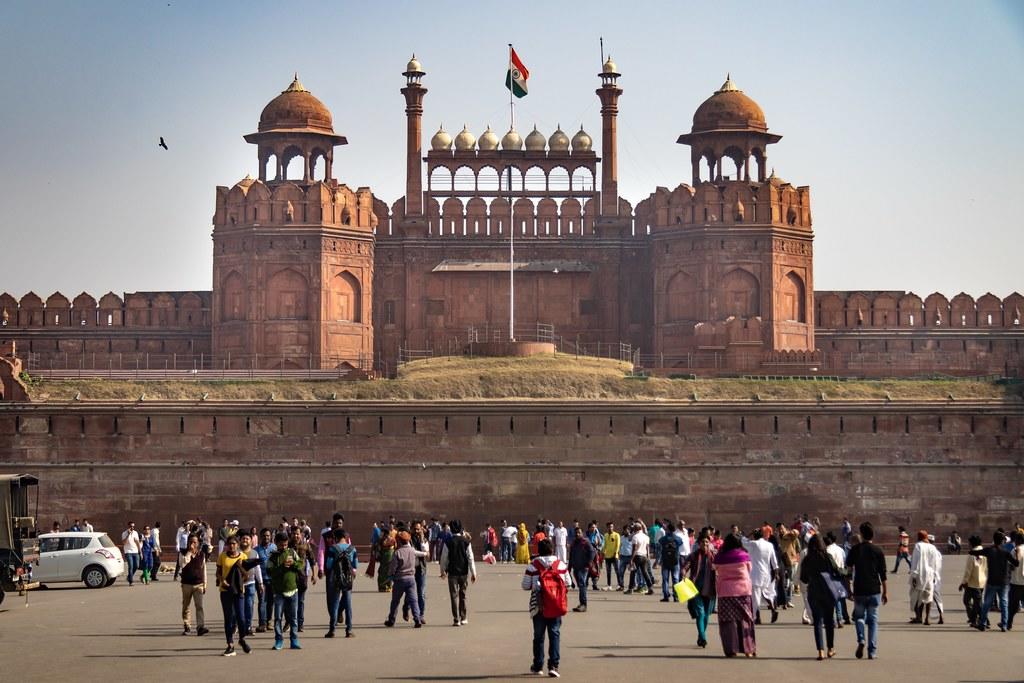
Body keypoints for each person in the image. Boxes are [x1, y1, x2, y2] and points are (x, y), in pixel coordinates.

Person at [522, 537, 569, 677]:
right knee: (554, 634)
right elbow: (568, 583)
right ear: (552, 550)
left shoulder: (533, 565)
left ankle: (538, 665)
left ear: (539, 551)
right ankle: (554, 665)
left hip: (539, 605)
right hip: (555, 604)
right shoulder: (560, 565)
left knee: (538, 636)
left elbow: (525, 585)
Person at [845, 521, 887, 660]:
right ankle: (872, 651)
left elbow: (848, 572)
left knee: (859, 617)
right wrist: (885, 591)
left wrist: (848, 589)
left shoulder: (855, 550)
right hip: (874, 589)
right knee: (873, 620)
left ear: (861, 535)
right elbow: (883, 574)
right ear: (872, 534)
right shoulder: (878, 550)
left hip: (859, 589)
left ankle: (861, 639)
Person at [712, 533, 756, 657]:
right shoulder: (744, 555)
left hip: (725, 592)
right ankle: (748, 649)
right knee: (745, 619)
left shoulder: (720, 557)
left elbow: (714, 568)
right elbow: (749, 569)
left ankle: (731, 649)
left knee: (728, 621)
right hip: (743, 591)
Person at [216, 535, 259, 656]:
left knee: (241, 617)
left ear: (238, 545)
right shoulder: (222, 556)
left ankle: (242, 639)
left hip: (239, 590)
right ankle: (230, 644)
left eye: (234, 543)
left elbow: (247, 575)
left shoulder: (243, 556)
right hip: (225, 590)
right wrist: (222, 580)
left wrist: (240, 567)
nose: (231, 546)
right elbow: (218, 572)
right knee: (228, 618)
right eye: (229, 544)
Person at [800, 534, 842, 660]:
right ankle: (831, 648)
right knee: (829, 620)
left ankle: (820, 651)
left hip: (814, 591)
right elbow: (836, 570)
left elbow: (803, 578)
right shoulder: (827, 557)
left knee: (817, 621)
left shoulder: (807, 559)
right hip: (828, 591)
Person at [973, 531, 1020, 631]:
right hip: (1004, 581)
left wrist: (974, 552)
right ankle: (1004, 625)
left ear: (994, 540)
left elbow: (975, 552)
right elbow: (1016, 564)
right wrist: (1016, 554)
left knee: (987, 603)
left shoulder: (989, 550)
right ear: (1002, 541)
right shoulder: (1005, 552)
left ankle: (982, 623)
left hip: (992, 581)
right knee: (1004, 603)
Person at [269, 531, 303, 650]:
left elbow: (301, 564)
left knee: (293, 618)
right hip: (279, 592)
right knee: (278, 617)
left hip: (293, 590)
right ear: (276, 543)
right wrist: (282, 567)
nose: (283, 547)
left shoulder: (292, 552)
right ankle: (279, 640)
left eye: (285, 544)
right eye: (281, 545)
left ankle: (294, 640)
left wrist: (293, 563)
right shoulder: (273, 557)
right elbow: (270, 572)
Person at [440, 519, 477, 626]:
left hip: (452, 572)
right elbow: (470, 558)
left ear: (451, 529)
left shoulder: (448, 542)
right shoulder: (466, 542)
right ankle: (463, 617)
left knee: (453, 596)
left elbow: (444, 558)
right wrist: (473, 573)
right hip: (464, 572)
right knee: (463, 595)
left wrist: (443, 571)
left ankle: (456, 619)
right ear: (461, 528)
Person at [684, 533, 717, 648]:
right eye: (703, 542)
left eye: (707, 542)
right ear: (699, 544)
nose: (705, 544)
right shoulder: (693, 556)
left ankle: (701, 636)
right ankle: (703, 637)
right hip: (695, 588)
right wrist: (683, 573)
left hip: (710, 589)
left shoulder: (714, 556)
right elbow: (685, 566)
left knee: (706, 615)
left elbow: (720, 567)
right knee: (700, 613)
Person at [385, 530, 423, 627]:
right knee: (413, 600)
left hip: (399, 579)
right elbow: (420, 555)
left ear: (400, 541)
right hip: (411, 579)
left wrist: (390, 575)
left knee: (395, 601)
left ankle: (391, 619)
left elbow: (393, 567)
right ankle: (417, 619)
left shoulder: (397, 552)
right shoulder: (412, 550)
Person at [325, 528, 357, 638]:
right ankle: (349, 630)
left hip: (335, 578)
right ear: (345, 537)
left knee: (335, 604)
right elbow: (355, 565)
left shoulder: (332, 548)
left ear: (336, 538)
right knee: (348, 604)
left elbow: (329, 565)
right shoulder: (352, 549)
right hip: (348, 578)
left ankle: (332, 630)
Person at [743, 528, 779, 624]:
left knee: (755, 597)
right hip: (767, 574)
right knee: (766, 593)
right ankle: (772, 609)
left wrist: (749, 533)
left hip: (755, 574)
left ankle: (756, 617)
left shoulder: (754, 544)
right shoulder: (769, 545)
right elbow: (774, 561)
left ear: (754, 536)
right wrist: (776, 572)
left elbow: (742, 541)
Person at [178, 533, 210, 636]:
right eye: (191, 542)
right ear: (188, 543)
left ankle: (200, 627)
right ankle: (187, 625)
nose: (193, 544)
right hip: (186, 584)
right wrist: (189, 553)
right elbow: (182, 564)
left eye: (195, 542)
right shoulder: (182, 553)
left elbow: (204, 570)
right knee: (186, 606)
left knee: (199, 606)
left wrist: (205, 584)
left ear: (198, 543)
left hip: (198, 584)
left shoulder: (201, 554)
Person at [908, 530, 942, 625]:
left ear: (919, 537)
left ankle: (918, 617)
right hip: (930, 575)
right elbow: (935, 563)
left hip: (920, 574)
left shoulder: (918, 546)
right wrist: (935, 575)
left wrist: (914, 576)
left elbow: (915, 561)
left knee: (915, 596)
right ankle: (927, 618)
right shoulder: (933, 547)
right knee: (928, 596)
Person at [958, 534, 987, 628]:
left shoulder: (972, 554)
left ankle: (981, 619)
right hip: (982, 580)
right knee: (976, 602)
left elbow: (969, 570)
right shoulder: (985, 552)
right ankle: (976, 619)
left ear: (972, 543)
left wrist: (963, 582)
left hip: (972, 582)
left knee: (970, 601)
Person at [238, 531, 263, 636]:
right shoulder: (237, 552)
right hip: (238, 584)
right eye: (243, 538)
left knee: (249, 606)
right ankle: (239, 626)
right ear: (240, 540)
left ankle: (248, 626)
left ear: (251, 541)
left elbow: (257, 569)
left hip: (251, 583)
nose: (245, 540)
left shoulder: (254, 553)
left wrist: (260, 583)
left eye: (247, 539)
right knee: (239, 607)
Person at [824, 532, 851, 625]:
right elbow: (845, 561)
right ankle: (845, 616)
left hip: (832, 575)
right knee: (841, 597)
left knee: (835, 598)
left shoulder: (827, 550)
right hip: (842, 574)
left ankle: (838, 618)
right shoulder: (841, 549)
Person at [568, 526, 596, 612]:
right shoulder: (574, 543)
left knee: (582, 585)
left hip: (583, 568)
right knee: (581, 585)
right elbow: (571, 555)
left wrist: (589, 563)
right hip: (576, 567)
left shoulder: (585, 542)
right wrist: (569, 567)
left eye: (579, 533)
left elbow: (592, 552)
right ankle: (581, 604)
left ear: (582, 533)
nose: (577, 534)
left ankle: (584, 604)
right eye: (576, 533)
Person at [255, 528, 276, 633]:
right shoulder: (256, 550)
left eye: (268, 535)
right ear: (260, 537)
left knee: (271, 601)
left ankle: (269, 621)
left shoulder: (274, 548)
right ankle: (262, 623)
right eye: (264, 535)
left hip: (272, 579)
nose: (266, 537)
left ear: (270, 537)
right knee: (262, 601)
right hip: (261, 580)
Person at [628, 522, 655, 595]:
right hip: (644, 556)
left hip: (637, 556)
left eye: (634, 528)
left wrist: (631, 559)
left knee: (633, 572)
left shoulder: (635, 537)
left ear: (636, 529)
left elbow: (635, 549)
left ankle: (630, 589)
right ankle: (650, 588)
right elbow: (647, 548)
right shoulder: (646, 537)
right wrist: (648, 556)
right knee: (645, 572)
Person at [658, 523, 682, 602]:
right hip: (675, 560)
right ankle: (676, 596)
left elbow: (659, 542)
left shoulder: (663, 539)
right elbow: (681, 543)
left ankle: (666, 595)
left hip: (665, 560)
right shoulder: (677, 538)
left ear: (668, 529)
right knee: (675, 579)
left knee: (665, 579)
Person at [602, 522, 621, 591]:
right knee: (608, 571)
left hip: (614, 556)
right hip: (607, 556)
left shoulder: (616, 535)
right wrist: (603, 552)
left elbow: (618, 545)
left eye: (611, 527)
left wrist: (616, 552)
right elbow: (605, 545)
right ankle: (609, 585)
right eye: (609, 527)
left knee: (617, 570)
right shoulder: (605, 535)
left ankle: (619, 585)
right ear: (607, 527)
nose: (610, 528)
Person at [121, 521, 141, 586]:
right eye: (131, 526)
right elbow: (124, 543)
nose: (132, 527)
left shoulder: (135, 533)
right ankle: (131, 581)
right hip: (128, 552)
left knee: (137, 566)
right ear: (128, 526)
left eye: (133, 526)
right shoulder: (124, 533)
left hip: (135, 551)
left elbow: (137, 542)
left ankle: (129, 576)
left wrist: (140, 552)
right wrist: (128, 534)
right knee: (131, 566)